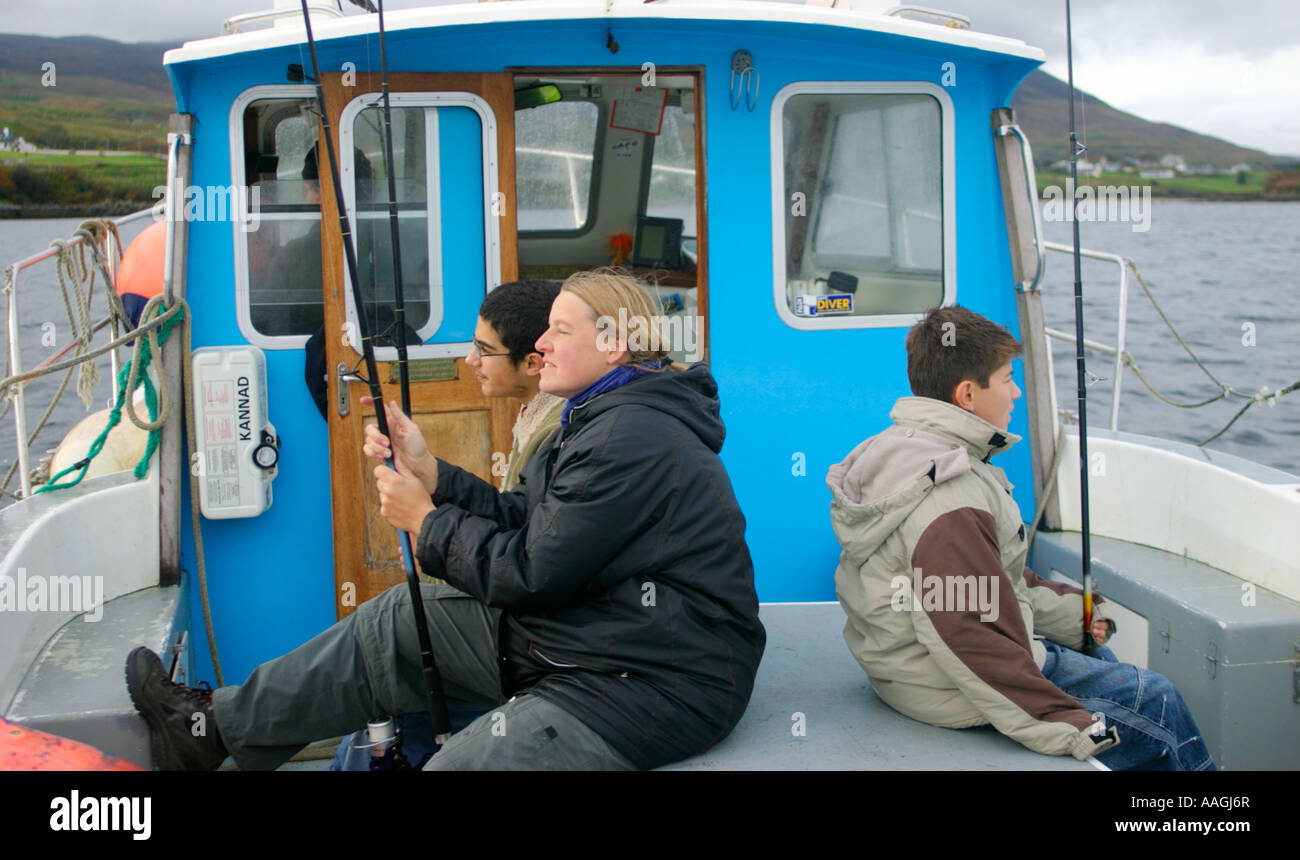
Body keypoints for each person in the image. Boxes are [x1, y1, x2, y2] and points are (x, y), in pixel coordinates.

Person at [127, 268, 766, 770]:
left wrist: (427, 522)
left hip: (657, 678)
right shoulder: (603, 413)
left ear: (614, 342)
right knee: (398, 622)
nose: (540, 346)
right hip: (593, 633)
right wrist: (435, 475)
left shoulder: (632, 435)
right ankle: (211, 733)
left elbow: (534, 572)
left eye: (560, 332)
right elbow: (531, 520)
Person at [828, 305, 1215, 770]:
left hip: (907, 668)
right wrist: (1064, 726)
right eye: (1007, 378)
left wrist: (1075, 617)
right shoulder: (950, 494)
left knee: (1098, 649)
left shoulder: (906, 448)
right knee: (1156, 699)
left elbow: (988, 583)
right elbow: (968, 634)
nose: (1015, 393)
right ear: (968, 394)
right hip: (944, 686)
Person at [330, 278, 563, 768]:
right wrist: (422, 465)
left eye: (483, 350)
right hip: (519, 626)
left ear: (533, 363)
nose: (469, 362)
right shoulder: (535, 414)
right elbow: (512, 522)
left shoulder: (557, 432)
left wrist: (429, 534)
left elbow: (526, 565)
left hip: (531, 644)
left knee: (391, 681)